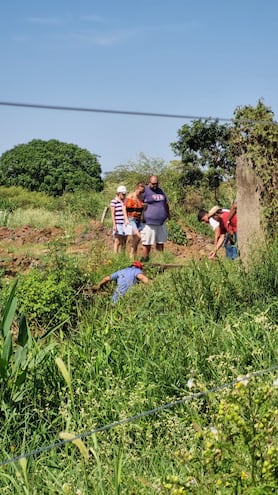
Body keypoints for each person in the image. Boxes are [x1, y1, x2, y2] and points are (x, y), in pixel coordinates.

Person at [140, 175, 171, 261]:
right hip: (148, 223)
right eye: (153, 183)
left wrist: (168, 214)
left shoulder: (160, 191)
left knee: (160, 243)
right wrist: (141, 215)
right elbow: (138, 201)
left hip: (161, 223)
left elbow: (166, 203)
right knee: (147, 243)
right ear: (149, 182)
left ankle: (160, 261)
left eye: (156, 183)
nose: (155, 185)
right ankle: (145, 261)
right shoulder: (145, 191)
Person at [125, 182, 146, 258]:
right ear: (137, 187)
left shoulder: (141, 198)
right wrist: (126, 219)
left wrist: (143, 215)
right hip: (131, 219)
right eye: (141, 187)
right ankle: (131, 254)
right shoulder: (130, 196)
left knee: (136, 240)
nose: (142, 190)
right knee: (139, 236)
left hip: (138, 219)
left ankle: (133, 256)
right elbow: (124, 208)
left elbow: (142, 209)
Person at [110, 185, 129, 253]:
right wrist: (114, 225)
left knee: (124, 241)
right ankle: (115, 256)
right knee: (117, 241)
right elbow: (112, 213)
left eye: (125, 194)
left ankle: (122, 256)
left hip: (125, 224)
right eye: (123, 194)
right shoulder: (114, 201)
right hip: (118, 223)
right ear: (119, 193)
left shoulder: (126, 201)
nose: (124, 195)